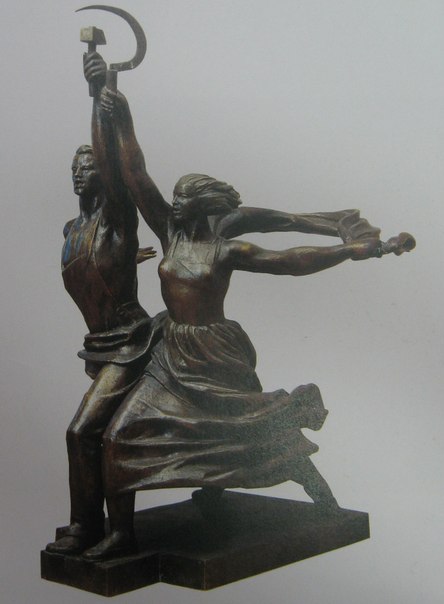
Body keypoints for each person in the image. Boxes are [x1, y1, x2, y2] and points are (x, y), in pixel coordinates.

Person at [76, 58, 392, 561]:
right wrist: (122, 116)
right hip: (170, 351)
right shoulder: (170, 231)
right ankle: (123, 535)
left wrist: (348, 251)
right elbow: (135, 173)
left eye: (184, 198)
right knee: (120, 437)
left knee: (245, 429)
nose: (174, 203)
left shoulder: (226, 251)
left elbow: (290, 261)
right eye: (175, 197)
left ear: (204, 206)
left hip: (215, 351)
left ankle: (315, 490)